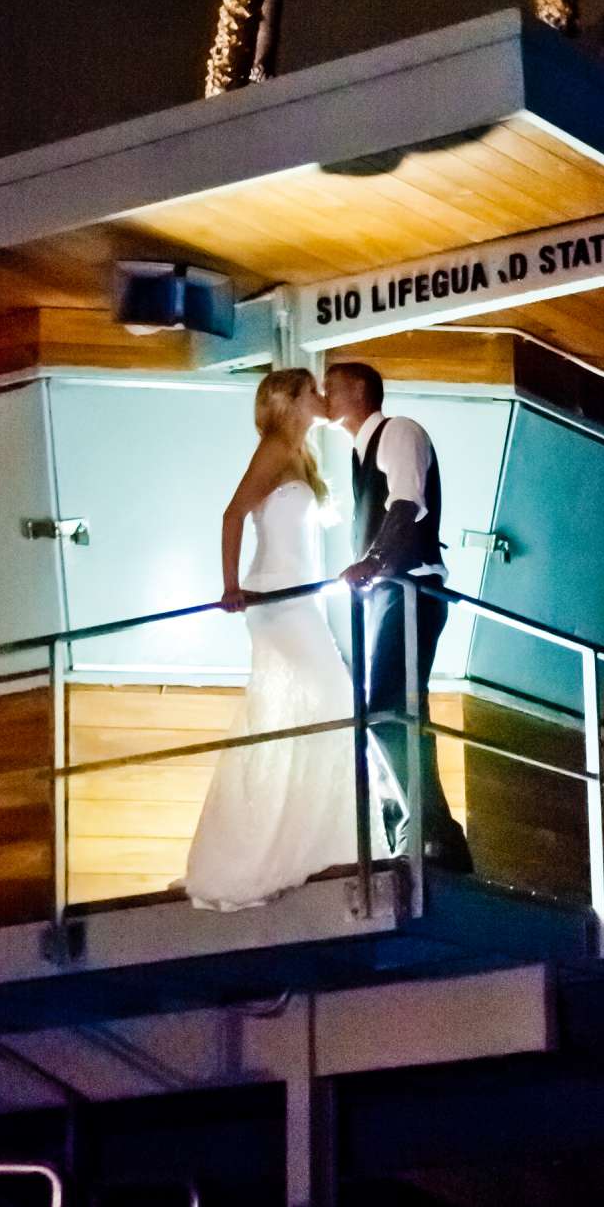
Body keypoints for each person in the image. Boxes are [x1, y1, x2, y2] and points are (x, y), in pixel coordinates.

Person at [183, 368, 387, 908]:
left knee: (323, 709)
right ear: (292, 400)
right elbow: (233, 514)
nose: (321, 398)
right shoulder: (274, 449)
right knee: (328, 700)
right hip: (273, 597)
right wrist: (230, 586)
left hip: (302, 601)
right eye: (312, 392)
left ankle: (316, 845)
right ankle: (273, 849)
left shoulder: (303, 454)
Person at [323, 361, 473, 873]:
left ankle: (428, 831)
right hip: (391, 592)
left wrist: (374, 561)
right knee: (395, 709)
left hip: (411, 587)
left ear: (360, 390)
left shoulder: (399, 431)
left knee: (387, 704)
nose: (325, 395)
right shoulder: (359, 449)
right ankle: (427, 833)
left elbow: (407, 502)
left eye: (333, 387)